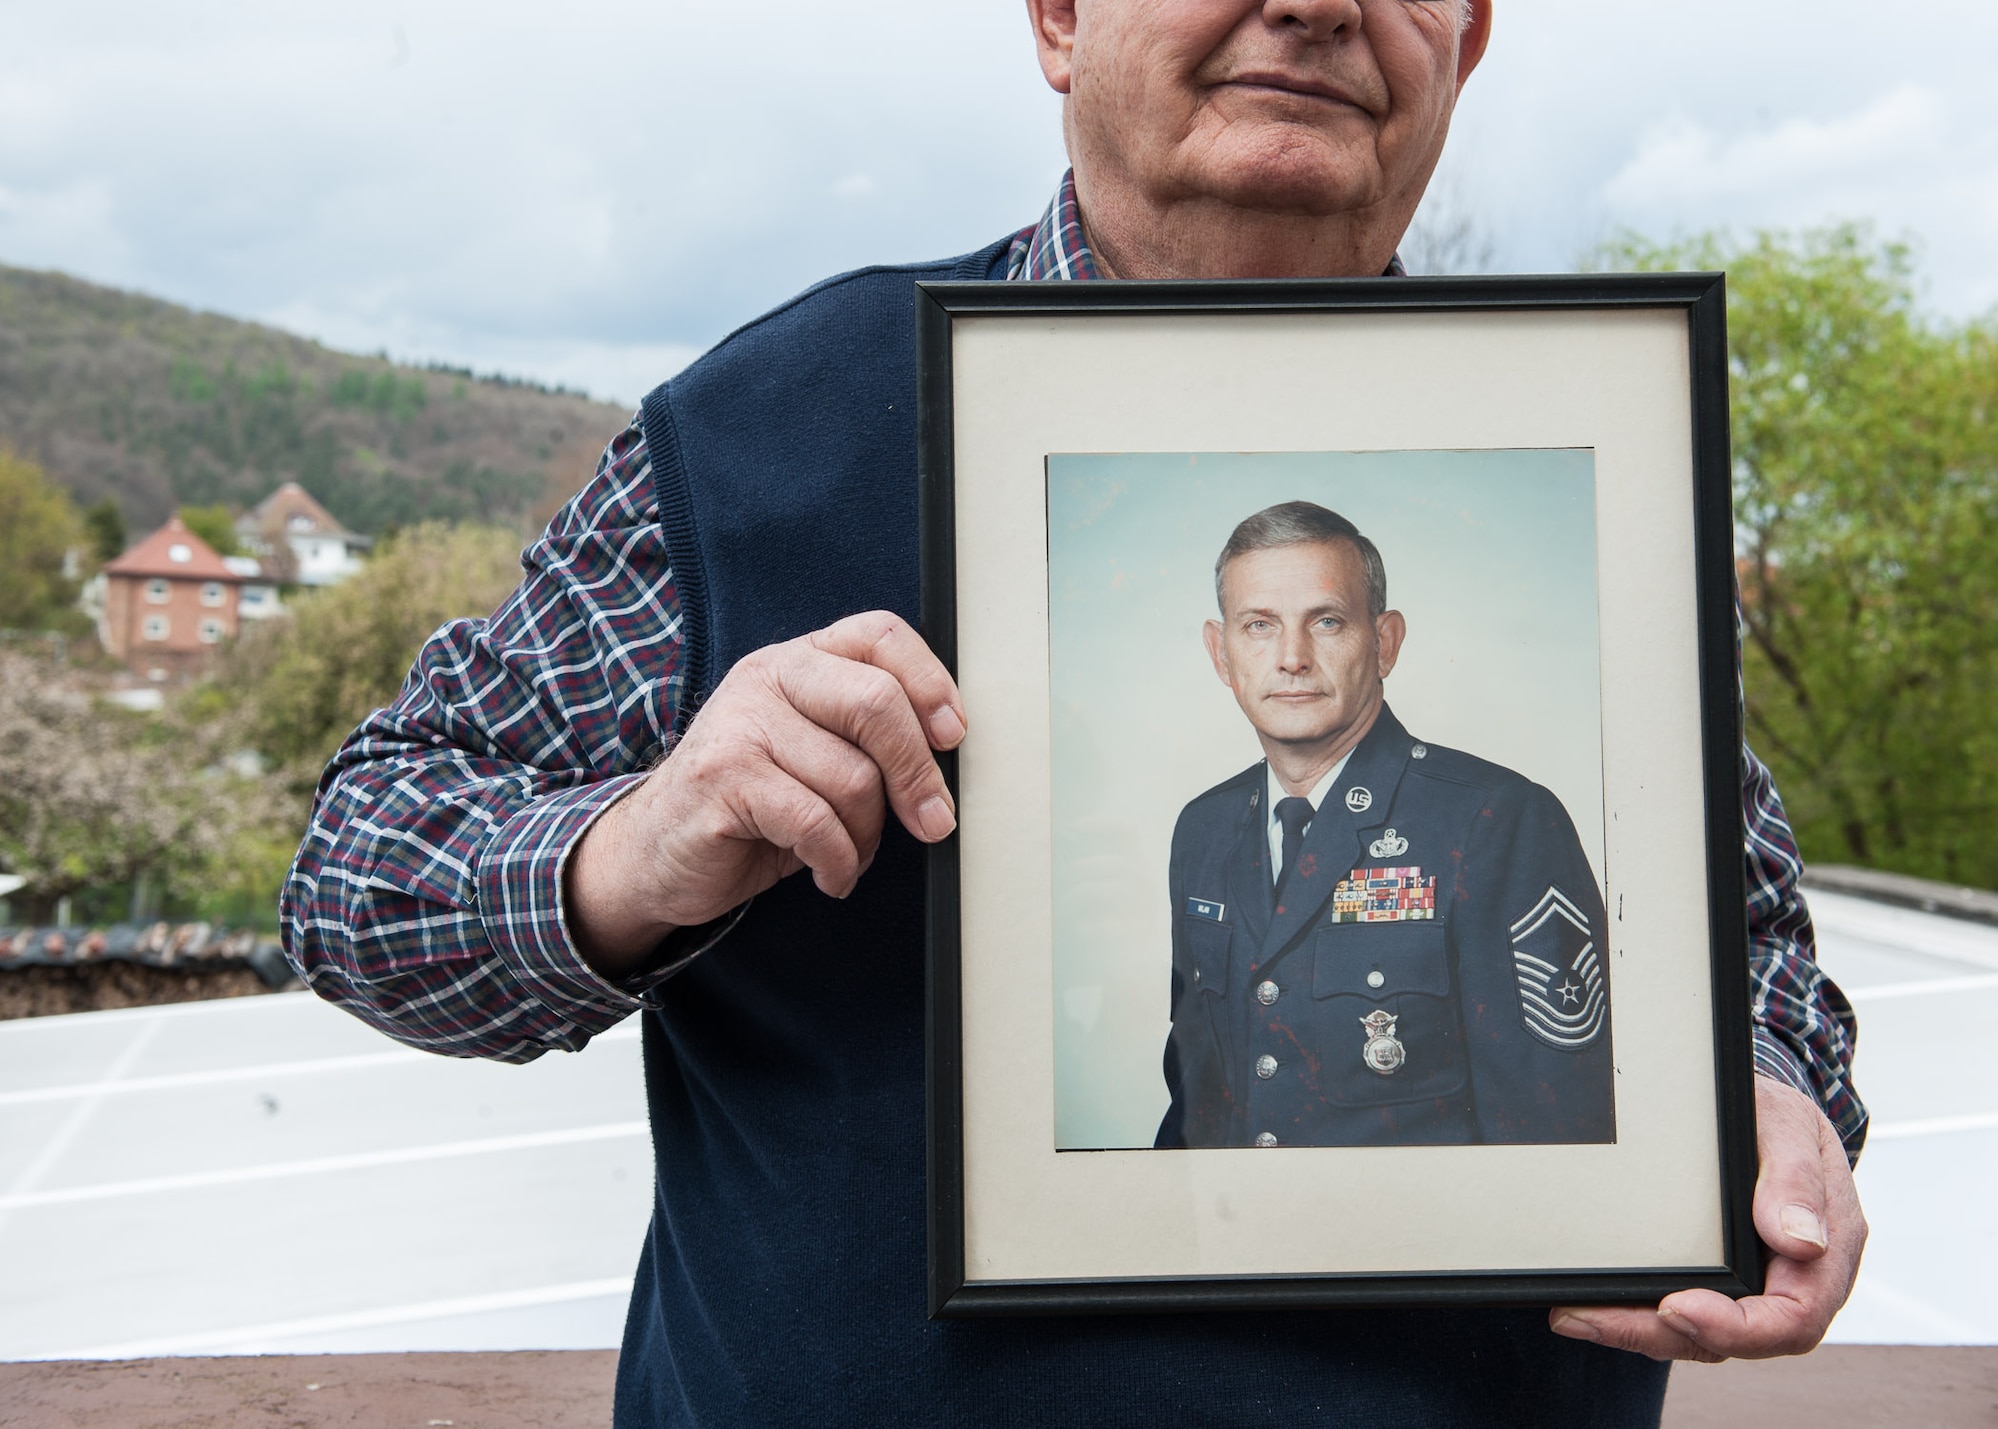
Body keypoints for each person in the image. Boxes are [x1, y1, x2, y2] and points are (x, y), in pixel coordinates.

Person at [284, 2, 1866, 1424]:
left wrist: (1772, 1097)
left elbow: (1751, 936)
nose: (1313, 6)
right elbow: (354, 878)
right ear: (1056, 19)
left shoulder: (1584, 428)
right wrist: (638, 844)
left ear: (1463, 40)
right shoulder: (765, 436)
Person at [1157, 501, 1615, 1150]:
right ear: (1221, 651)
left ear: (1385, 641)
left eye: (1327, 620)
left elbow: (1557, 1133)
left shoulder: (1496, 821)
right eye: (1259, 624)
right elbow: (1192, 1110)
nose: (1292, 657)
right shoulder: (1203, 829)